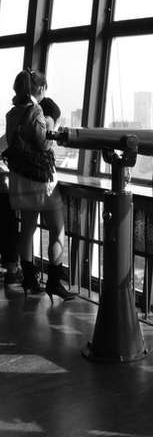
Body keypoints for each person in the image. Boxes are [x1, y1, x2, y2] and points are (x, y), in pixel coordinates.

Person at [2, 69, 75, 303]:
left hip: (20, 179)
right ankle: (54, 282)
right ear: (39, 88)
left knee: (27, 230)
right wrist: (53, 130)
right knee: (57, 229)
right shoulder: (36, 111)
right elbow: (44, 144)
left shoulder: (11, 113)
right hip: (41, 182)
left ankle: (29, 280)